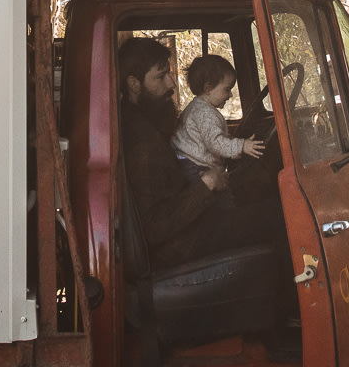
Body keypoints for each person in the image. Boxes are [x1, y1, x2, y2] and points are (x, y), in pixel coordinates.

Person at [116, 38, 282, 271]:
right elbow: (154, 227)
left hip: (191, 226)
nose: (171, 83)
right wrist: (208, 183)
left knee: (259, 197)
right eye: (161, 76)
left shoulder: (150, 122)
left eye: (170, 74)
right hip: (182, 245)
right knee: (279, 215)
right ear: (134, 84)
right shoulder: (141, 139)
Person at [172, 53, 265, 186]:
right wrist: (241, 146)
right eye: (227, 90)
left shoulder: (198, 108)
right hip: (195, 168)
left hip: (193, 164)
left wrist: (233, 150)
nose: (230, 95)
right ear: (208, 89)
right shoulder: (204, 114)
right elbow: (216, 144)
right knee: (223, 197)